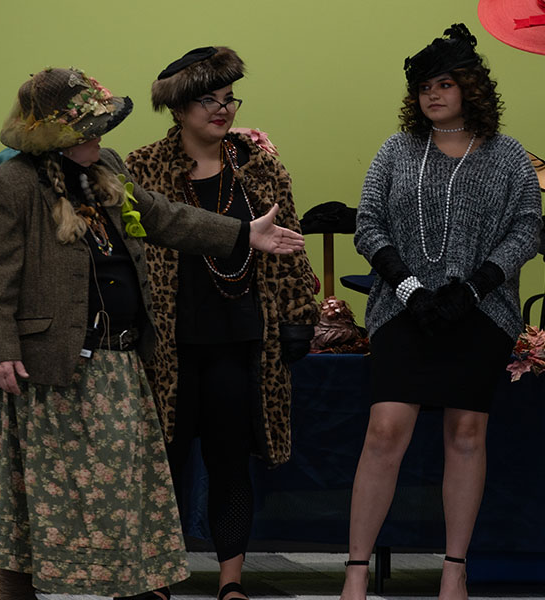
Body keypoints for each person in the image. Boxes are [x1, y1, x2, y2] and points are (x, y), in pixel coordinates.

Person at [0, 66, 305, 600]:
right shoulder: (8, 184)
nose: (100, 138)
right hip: (45, 369)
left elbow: (164, 216)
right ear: (56, 134)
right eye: (88, 130)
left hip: (116, 364)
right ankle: (18, 592)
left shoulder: (106, 169)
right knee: (34, 500)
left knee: (128, 497)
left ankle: (134, 591)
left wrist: (242, 234)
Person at [341, 24, 541, 600]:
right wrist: (407, 288)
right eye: (424, 86)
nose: (433, 95)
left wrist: (473, 288)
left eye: (445, 84)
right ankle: (355, 569)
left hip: (480, 311)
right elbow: (368, 224)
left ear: (471, 89)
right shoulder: (395, 150)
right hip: (404, 309)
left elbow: (527, 227)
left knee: (467, 431)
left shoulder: (507, 156)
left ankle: (455, 567)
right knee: (385, 430)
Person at [125, 47, 319, 600]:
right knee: (164, 462)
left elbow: (291, 246)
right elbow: (127, 251)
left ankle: (231, 583)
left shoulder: (258, 164)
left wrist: (299, 315)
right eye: (207, 100)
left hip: (242, 340)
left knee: (230, 462)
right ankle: (158, 579)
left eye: (228, 98)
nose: (222, 109)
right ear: (179, 108)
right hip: (167, 343)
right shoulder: (143, 167)